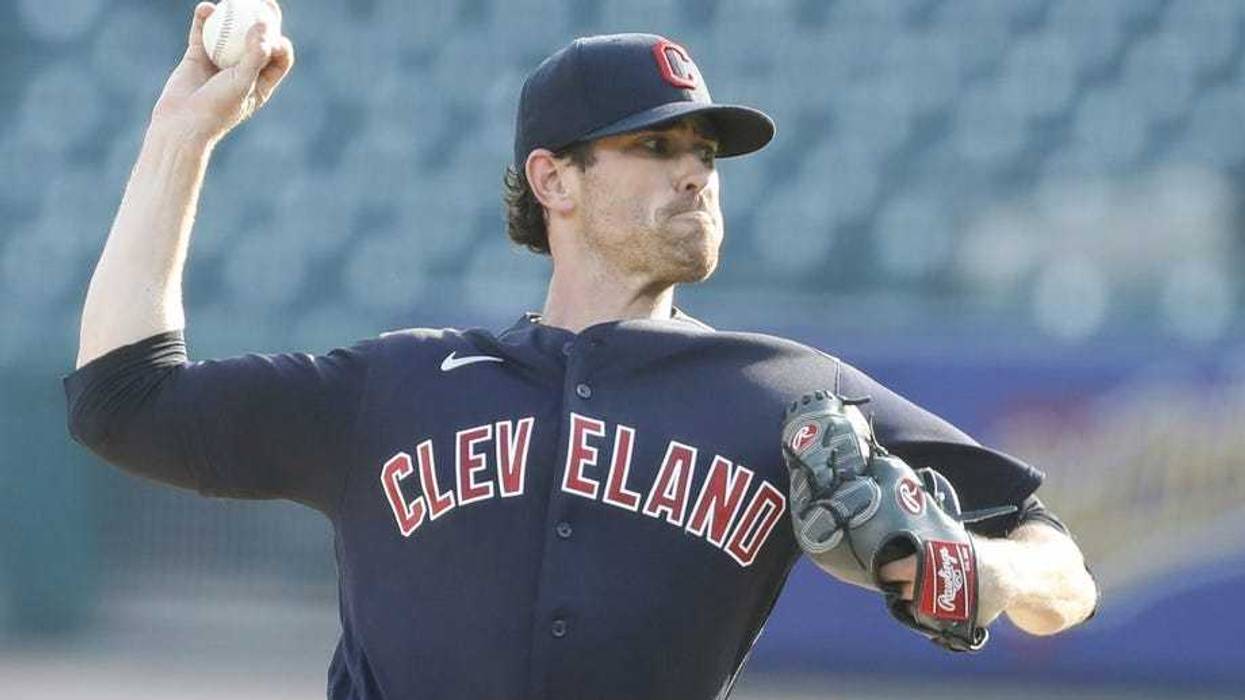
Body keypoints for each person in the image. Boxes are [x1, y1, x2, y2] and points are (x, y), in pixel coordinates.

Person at [65, 2, 1098, 698]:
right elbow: (121, 402)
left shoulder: (785, 391)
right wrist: (180, 134)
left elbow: (1064, 569)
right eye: (655, 146)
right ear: (553, 181)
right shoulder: (397, 385)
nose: (696, 174)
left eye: (705, 154)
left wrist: (981, 573)